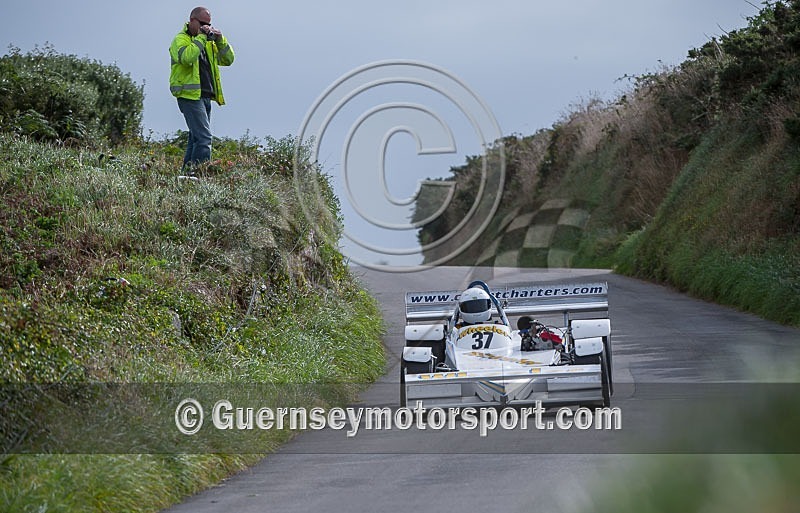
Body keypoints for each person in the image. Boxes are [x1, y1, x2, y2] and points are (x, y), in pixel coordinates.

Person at [169, 6, 235, 173]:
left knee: (195, 138)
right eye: (202, 23)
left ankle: (187, 175)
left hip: (205, 96)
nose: (206, 27)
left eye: (208, 24)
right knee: (204, 138)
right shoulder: (181, 40)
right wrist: (200, 38)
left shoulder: (206, 41)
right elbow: (187, 58)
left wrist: (220, 40)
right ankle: (200, 175)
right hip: (189, 96)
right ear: (192, 20)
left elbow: (228, 60)